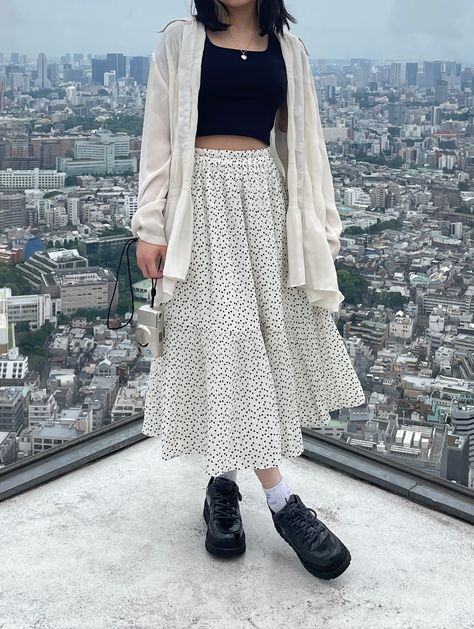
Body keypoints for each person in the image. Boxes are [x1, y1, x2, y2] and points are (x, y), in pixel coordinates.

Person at [132, 0, 366, 580]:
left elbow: (306, 145)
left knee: (255, 339)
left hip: (265, 203)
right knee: (230, 339)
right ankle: (284, 502)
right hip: (199, 205)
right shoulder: (181, 41)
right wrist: (150, 226)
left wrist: (318, 226)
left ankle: (222, 484)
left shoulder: (290, 50)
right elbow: (159, 137)